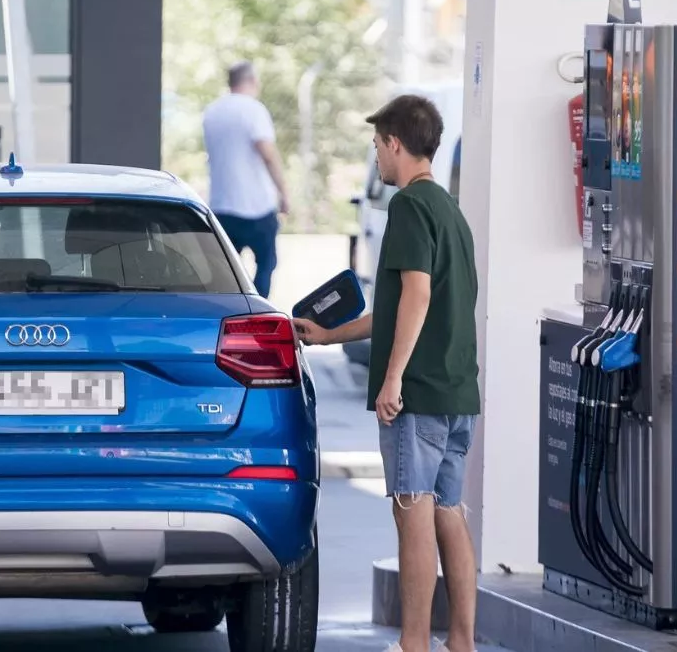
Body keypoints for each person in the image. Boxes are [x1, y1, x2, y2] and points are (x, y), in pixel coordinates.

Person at [294, 95, 480, 652]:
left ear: (395, 143)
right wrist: (329, 335)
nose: (376, 156)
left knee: (411, 512)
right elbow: (402, 306)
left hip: (417, 394)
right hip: (456, 390)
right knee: (449, 512)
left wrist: (392, 378)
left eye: (377, 145)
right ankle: (462, 643)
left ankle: (414, 643)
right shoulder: (450, 210)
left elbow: (417, 295)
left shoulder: (407, 208)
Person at [203, 60, 290, 298]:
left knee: (225, 274)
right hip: (256, 207)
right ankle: (257, 315)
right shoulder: (253, 110)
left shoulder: (212, 112)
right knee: (266, 265)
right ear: (252, 81)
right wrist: (284, 193)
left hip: (221, 207)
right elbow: (268, 154)